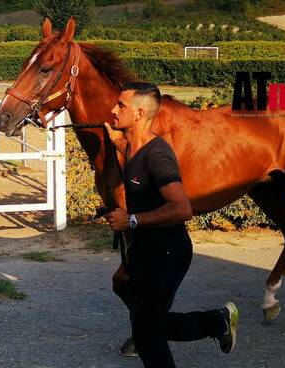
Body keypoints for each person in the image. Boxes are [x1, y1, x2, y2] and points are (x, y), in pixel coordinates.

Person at [103, 82, 239, 368]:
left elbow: (182, 209)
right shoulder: (131, 147)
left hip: (167, 253)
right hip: (144, 249)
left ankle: (215, 322)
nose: (113, 110)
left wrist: (130, 219)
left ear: (139, 113)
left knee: (147, 334)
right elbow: (133, 164)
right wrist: (114, 139)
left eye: (121, 106)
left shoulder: (158, 156)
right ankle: (217, 322)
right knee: (138, 310)